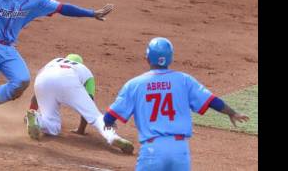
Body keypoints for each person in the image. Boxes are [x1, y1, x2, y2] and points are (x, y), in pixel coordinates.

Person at [103, 37, 250, 170]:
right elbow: (212, 101)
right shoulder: (184, 80)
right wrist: (232, 113)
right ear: (170, 58)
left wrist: (108, 122)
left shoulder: (134, 84)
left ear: (147, 58)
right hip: (180, 150)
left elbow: (110, 115)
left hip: (152, 149)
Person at [25, 54, 134, 154]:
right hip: (68, 80)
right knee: (96, 117)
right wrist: (81, 130)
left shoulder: (54, 62)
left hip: (42, 81)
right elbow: (89, 101)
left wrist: (31, 111)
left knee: (52, 126)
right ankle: (113, 137)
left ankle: (37, 119)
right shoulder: (84, 70)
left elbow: (35, 96)